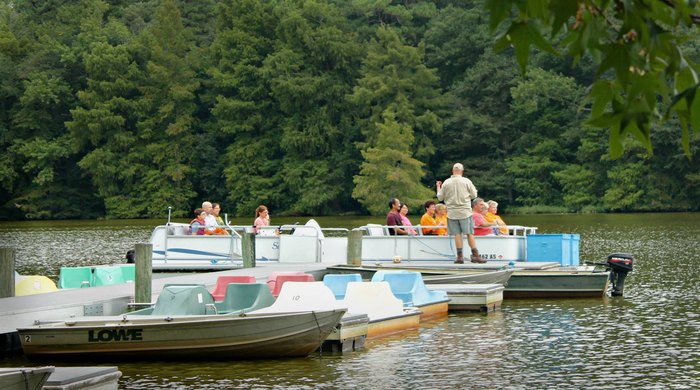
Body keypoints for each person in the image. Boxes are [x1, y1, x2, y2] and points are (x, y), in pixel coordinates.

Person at [436, 162, 485, 264]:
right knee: (469, 233)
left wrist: (438, 188)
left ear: (453, 171)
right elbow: (474, 195)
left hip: (452, 212)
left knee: (457, 234)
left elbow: (440, 197)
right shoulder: (466, 181)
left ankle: (459, 257)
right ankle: (475, 255)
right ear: (462, 171)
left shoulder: (446, 182)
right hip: (465, 212)